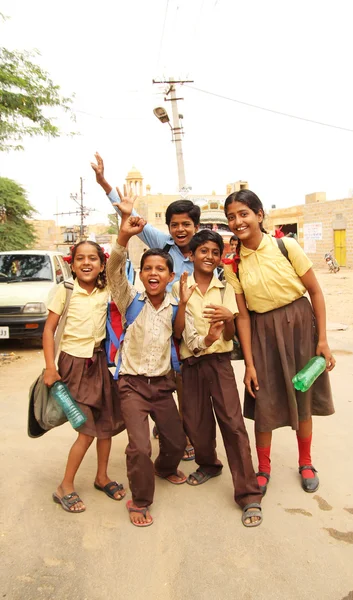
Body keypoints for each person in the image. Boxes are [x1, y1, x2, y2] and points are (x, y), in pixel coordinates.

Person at [223, 190, 335, 496]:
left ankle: (306, 462)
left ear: (259, 215)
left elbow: (315, 291)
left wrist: (322, 340)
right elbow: (243, 317)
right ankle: (264, 468)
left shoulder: (286, 246)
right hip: (261, 333)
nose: (238, 221)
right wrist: (249, 364)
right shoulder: (233, 266)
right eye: (231, 216)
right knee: (264, 400)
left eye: (244, 213)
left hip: (300, 326)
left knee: (304, 395)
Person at [91, 153, 199, 462]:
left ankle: (179, 432)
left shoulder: (204, 250)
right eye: (175, 225)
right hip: (157, 323)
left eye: (186, 225)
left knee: (185, 386)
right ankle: (166, 427)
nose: (180, 231)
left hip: (186, 325)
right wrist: (104, 183)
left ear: (196, 226)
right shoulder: (161, 244)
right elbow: (130, 214)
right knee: (161, 375)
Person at [172, 229, 263, 527]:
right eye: (203, 251)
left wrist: (228, 319)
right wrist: (185, 304)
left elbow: (230, 335)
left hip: (220, 362)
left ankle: (249, 494)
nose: (210, 257)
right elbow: (176, 333)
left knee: (233, 424)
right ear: (191, 255)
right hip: (191, 363)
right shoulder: (179, 287)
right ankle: (209, 464)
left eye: (215, 252)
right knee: (196, 422)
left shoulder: (224, 287)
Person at [106, 200, 187, 527]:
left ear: (170, 276)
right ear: (141, 274)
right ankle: (139, 500)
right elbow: (113, 271)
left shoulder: (175, 306)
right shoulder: (130, 301)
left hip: (162, 386)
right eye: (148, 269)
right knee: (139, 447)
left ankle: (165, 468)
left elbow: (189, 338)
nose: (153, 273)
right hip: (132, 387)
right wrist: (123, 238)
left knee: (177, 442)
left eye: (160, 270)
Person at [43, 241, 125, 514]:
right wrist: (50, 367)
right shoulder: (65, 291)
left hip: (99, 361)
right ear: (72, 263)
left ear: (101, 265)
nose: (86, 263)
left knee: (107, 423)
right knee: (87, 430)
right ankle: (64, 486)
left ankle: (101, 477)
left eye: (93, 259)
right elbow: (49, 330)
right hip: (73, 364)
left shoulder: (106, 290)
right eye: (80, 259)